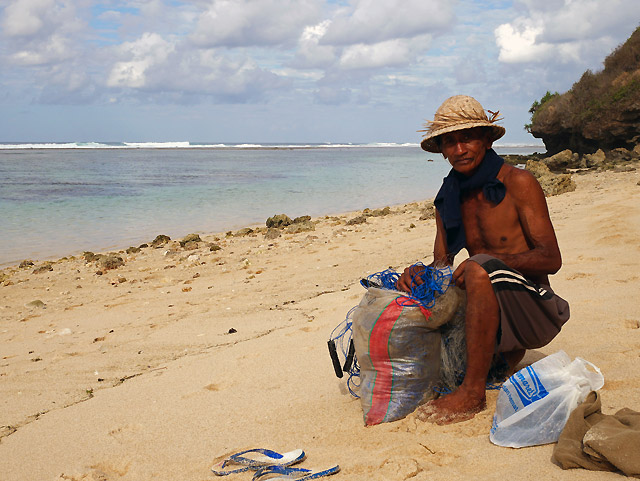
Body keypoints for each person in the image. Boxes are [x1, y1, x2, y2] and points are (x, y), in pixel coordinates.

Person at [397, 95, 570, 424]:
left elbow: (551, 258)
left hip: (535, 311)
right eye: (449, 142)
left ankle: (472, 393)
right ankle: (499, 355)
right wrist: (419, 274)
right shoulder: (448, 197)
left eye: (466, 138)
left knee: (477, 267)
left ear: (487, 139)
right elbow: (443, 266)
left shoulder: (519, 183)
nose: (458, 150)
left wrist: (489, 261)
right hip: (491, 306)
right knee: (411, 287)